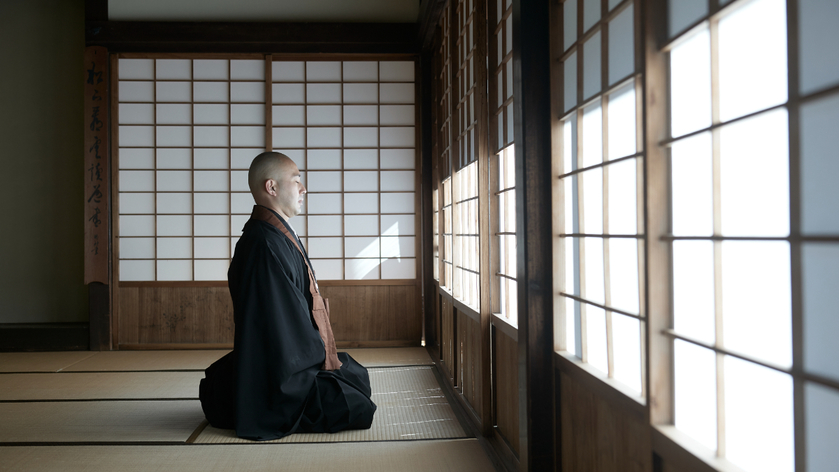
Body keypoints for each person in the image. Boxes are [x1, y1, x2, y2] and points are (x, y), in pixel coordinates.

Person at [199, 151, 376, 441]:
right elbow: (281, 328)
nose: (303, 188)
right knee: (356, 406)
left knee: (355, 375)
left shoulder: (274, 235)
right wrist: (316, 359)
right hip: (279, 370)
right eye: (296, 181)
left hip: (289, 356)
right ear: (272, 188)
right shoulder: (264, 245)